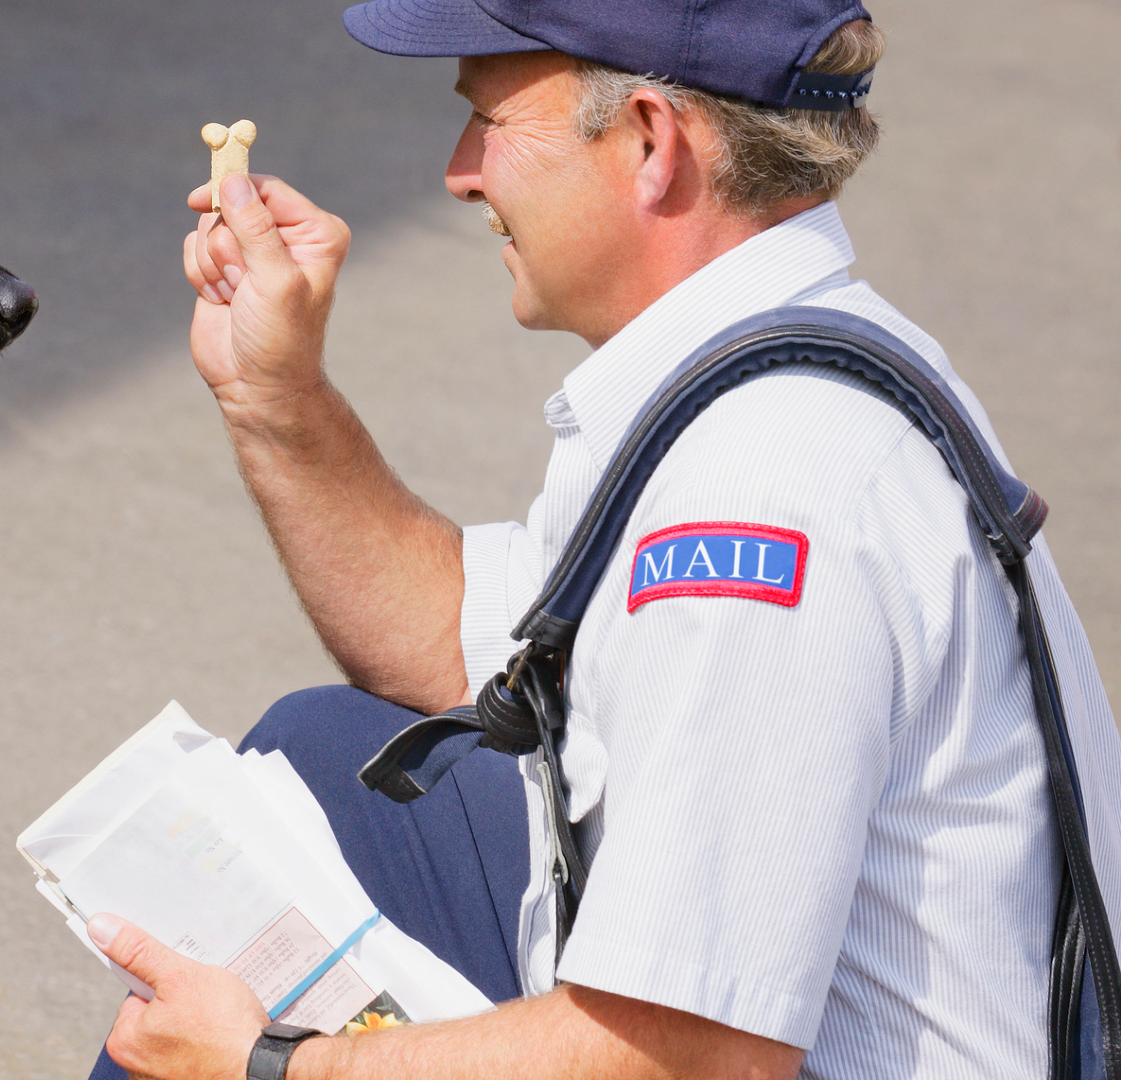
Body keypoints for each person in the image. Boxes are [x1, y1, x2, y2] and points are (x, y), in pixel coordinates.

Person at [80, 1, 1121, 1079]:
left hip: (726, 1054)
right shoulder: (765, 360)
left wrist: (269, 1065)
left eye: (490, 122)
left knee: (205, 1045)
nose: (458, 173)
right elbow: (468, 650)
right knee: (325, 759)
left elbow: (692, 1053)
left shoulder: (763, 488)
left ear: (649, 142)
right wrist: (273, 393)